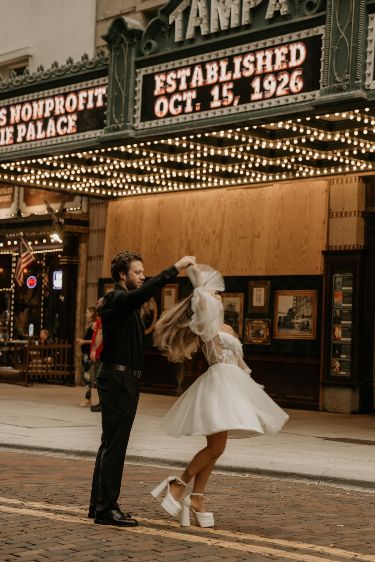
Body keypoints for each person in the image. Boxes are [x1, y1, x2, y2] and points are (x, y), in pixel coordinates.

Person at [151, 264, 289, 528]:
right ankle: (177, 485)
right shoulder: (205, 327)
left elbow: (239, 361)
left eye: (219, 295)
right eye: (214, 295)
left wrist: (250, 388)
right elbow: (201, 305)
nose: (219, 298)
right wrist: (199, 283)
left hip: (233, 385)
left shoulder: (228, 328)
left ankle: (197, 497)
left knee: (218, 448)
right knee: (216, 447)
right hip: (216, 385)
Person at [89, 251, 196, 528]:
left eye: (143, 271)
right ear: (123, 275)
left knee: (110, 444)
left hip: (123, 380)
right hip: (117, 380)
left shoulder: (126, 306)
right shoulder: (117, 299)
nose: (142, 276)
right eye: (137, 272)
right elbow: (145, 291)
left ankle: (98, 505)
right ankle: (106, 508)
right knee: (115, 446)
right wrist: (176, 267)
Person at [76, 307, 97, 407]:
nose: (85, 314)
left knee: (86, 376)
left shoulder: (94, 324)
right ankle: (88, 398)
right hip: (85, 352)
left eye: (87, 312)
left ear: (92, 313)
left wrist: (84, 341)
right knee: (85, 375)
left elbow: (95, 340)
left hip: (89, 353)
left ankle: (87, 399)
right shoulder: (89, 324)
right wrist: (81, 339)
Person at [90, 297, 104, 412]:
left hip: (100, 352)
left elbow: (100, 334)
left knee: (99, 380)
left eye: (99, 302)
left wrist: (94, 350)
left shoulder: (102, 318)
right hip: (99, 352)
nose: (97, 304)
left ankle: (102, 403)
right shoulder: (99, 319)